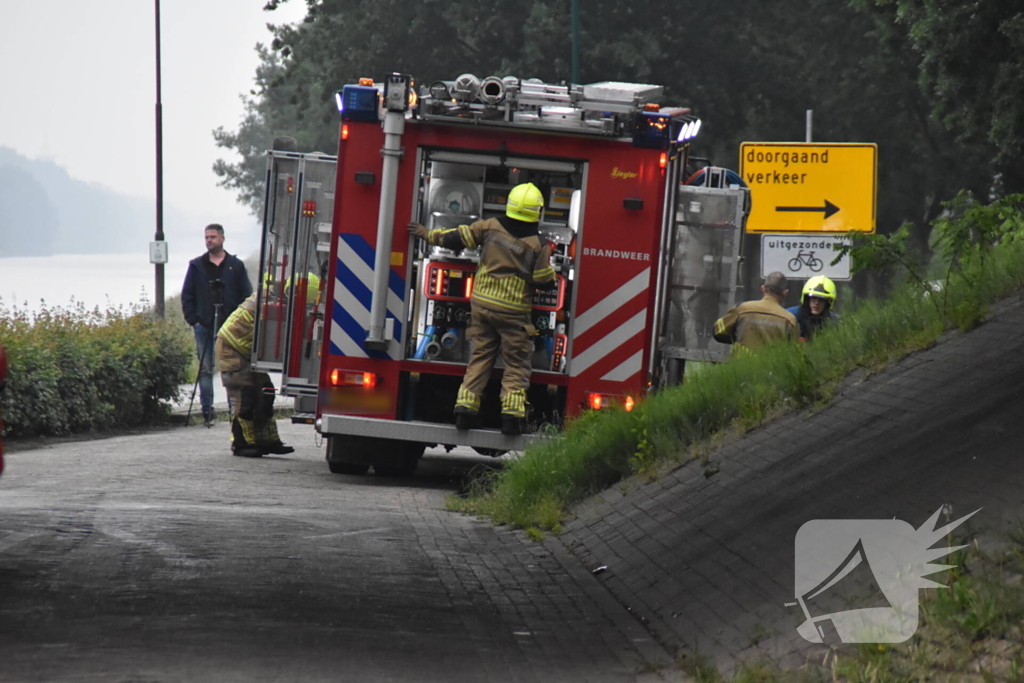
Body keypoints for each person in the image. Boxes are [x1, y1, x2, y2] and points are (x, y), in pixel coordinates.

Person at [408, 182, 556, 435]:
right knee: (516, 363)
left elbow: (455, 238)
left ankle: (464, 410)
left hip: (482, 306)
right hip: (513, 313)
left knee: (480, 357)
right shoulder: (538, 243)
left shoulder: (490, 226)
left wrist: (426, 233)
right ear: (537, 212)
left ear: (509, 204)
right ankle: (511, 417)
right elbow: (544, 279)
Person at [181, 224, 253, 426]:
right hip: (204, 323)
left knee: (231, 368)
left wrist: (239, 321)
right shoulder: (197, 266)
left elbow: (245, 295)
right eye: (206, 237)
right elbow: (187, 294)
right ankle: (207, 411)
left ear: (222, 238)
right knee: (205, 369)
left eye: (212, 237)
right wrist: (193, 320)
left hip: (229, 328)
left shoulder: (235, 266)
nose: (209, 240)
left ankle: (234, 410)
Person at [215, 293, 294, 457]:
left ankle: (266, 440)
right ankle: (241, 443)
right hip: (231, 347)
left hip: (247, 349)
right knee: (244, 396)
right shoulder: (273, 305)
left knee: (266, 392)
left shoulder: (273, 299)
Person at [714, 271, 798, 353]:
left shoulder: (742, 309)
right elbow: (793, 351)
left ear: (763, 288)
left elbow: (718, 330)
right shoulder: (789, 319)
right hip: (772, 366)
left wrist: (737, 335)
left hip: (741, 365)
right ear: (785, 292)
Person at [787, 275, 840, 341]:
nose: (816, 303)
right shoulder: (791, 316)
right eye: (813, 298)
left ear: (827, 303)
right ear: (807, 299)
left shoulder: (835, 322)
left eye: (821, 300)